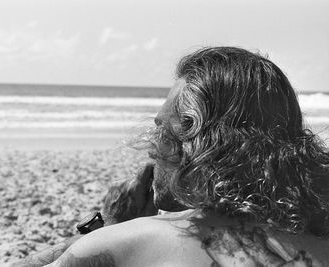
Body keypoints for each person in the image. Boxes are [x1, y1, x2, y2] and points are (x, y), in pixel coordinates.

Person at [19, 47, 329, 266]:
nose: (152, 147)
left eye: (160, 127)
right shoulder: (319, 244)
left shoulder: (142, 241)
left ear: (195, 138)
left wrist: (110, 227)